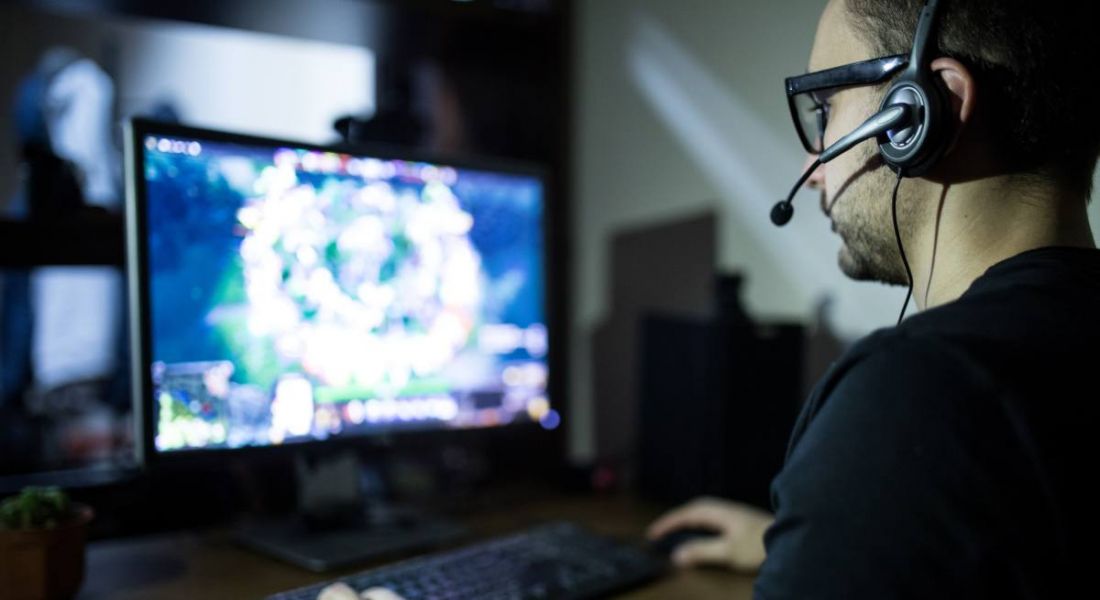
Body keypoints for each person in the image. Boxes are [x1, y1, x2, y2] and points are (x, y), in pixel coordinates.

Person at [321, 0, 1100, 597]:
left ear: (923, 113)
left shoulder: (919, 394)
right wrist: (833, 535)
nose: (816, 163)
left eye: (826, 108)